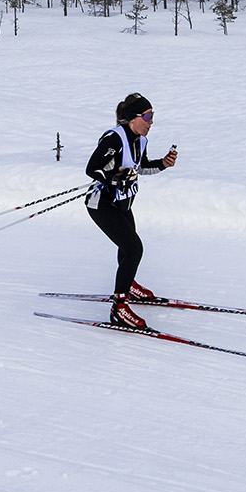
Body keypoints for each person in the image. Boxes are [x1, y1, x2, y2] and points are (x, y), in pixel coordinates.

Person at [84, 92, 178, 328]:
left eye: (152, 116)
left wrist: (162, 164)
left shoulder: (141, 140)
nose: (151, 121)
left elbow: (141, 167)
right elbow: (92, 169)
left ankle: (129, 285)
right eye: (148, 116)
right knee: (134, 248)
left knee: (127, 249)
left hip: (123, 203)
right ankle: (120, 307)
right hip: (102, 204)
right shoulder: (114, 139)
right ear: (134, 117)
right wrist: (115, 177)